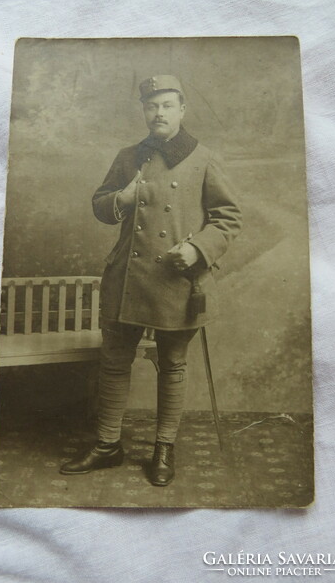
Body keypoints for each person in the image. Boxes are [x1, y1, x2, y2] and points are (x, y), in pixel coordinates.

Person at [60, 75, 242, 486]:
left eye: (166, 105)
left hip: (177, 281)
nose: (158, 113)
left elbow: (228, 219)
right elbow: (100, 204)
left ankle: (164, 446)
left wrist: (198, 250)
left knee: (172, 364)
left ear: (182, 110)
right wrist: (119, 201)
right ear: (144, 111)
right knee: (114, 362)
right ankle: (108, 445)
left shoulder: (203, 158)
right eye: (151, 106)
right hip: (126, 276)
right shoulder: (129, 156)